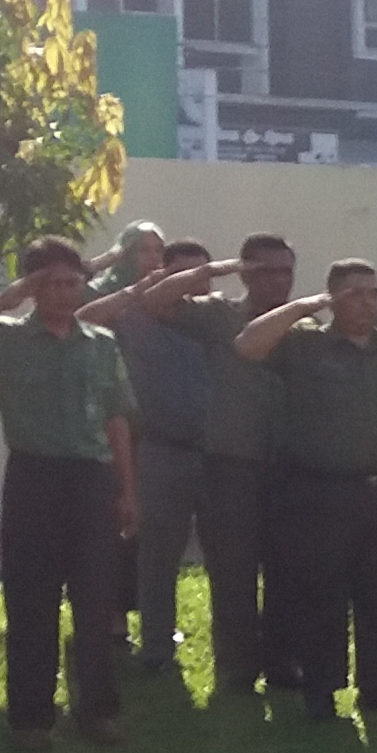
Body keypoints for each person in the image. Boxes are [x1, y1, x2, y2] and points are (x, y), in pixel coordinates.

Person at [0, 239, 140, 750]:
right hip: (34, 478)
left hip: (92, 480)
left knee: (95, 602)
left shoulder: (100, 342)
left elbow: (118, 417)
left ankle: (96, 710)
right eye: (50, 283)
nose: (64, 292)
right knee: (32, 602)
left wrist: (127, 489)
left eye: (73, 282)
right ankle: (32, 718)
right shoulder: (8, 338)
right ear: (31, 288)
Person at [235, 259, 377, 723]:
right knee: (322, 597)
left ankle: (376, 688)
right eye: (353, 294)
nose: (367, 303)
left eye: (373, 293)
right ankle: (321, 691)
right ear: (331, 299)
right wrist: (302, 307)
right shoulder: (304, 346)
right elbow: (247, 345)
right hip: (322, 495)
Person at [91, 233, 300, 695]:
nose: (278, 280)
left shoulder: (297, 325)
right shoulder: (212, 316)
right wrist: (214, 270)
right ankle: (202, 660)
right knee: (212, 569)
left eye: (286, 270)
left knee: (284, 570)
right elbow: (148, 301)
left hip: (274, 464)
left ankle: (283, 665)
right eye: (266, 270)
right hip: (191, 454)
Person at [113, 237, 217, 669]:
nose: (193, 288)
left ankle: (234, 652)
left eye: (202, 277)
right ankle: (157, 648)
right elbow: (91, 316)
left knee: (229, 559)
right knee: (158, 557)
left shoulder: (222, 321)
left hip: (219, 456)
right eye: (183, 277)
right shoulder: (138, 323)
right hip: (162, 451)